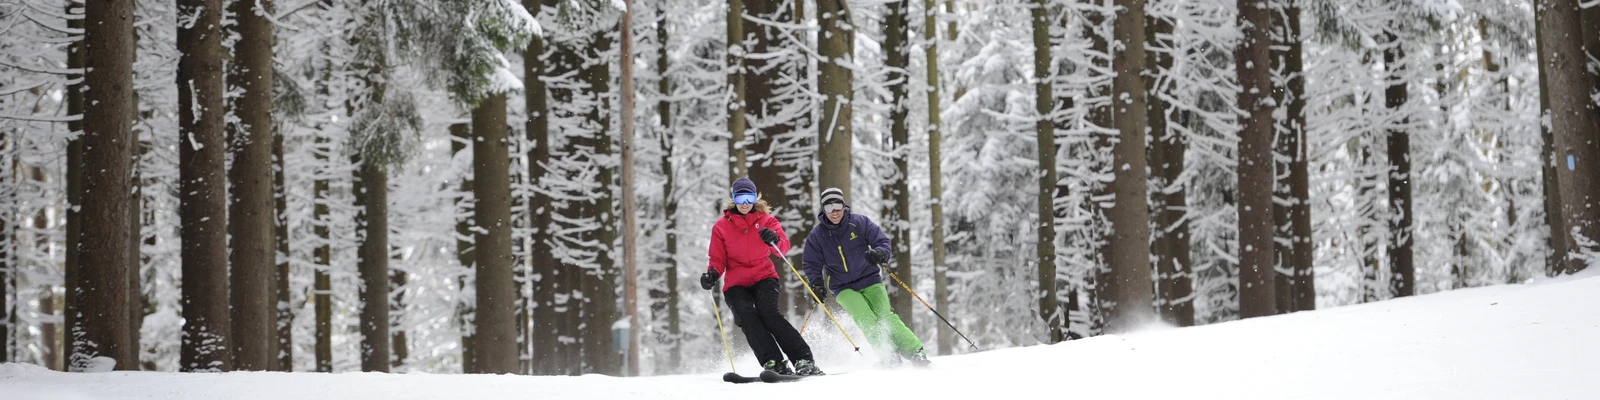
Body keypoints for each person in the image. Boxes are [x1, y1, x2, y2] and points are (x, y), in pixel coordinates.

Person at [701, 177, 826, 376]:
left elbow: (783, 248)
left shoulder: (767, 221)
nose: (744, 203)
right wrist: (712, 274)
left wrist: (773, 239)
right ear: (733, 199)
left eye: (748, 198)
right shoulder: (721, 227)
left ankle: (803, 359)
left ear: (755, 198)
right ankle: (773, 362)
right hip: (736, 284)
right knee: (746, 316)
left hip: (764, 277)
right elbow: (717, 258)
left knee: (768, 313)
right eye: (740, 198)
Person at [802, 187, 930, 366]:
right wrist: (816, 283)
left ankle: (916, 352)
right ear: (823, 210)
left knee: (885, 316)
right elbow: (811, 264)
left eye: (837, 206)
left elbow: (882, 241)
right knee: (865, 317)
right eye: (829, 208)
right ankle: (888, 355)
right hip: (842, 287)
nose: (834, 212)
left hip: (870, 279)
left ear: (844, 205)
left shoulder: (859, 223)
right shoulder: (817, 236)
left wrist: (880, 253)